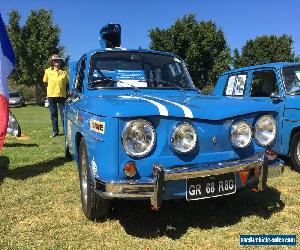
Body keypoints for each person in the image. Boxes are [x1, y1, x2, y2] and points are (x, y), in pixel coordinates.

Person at [43, 54, 69, 137]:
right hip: (51, 96)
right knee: (53, 114)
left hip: (62, 96)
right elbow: (45, 82)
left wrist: (66, 93)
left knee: (63, 114)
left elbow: (67, 84)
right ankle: (55, 131)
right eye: (54, 60)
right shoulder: (47, 71)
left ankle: (66, 131)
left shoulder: (64, 73)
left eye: (58, 60)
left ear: (60, 62)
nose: (56, 61)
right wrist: (49, 90)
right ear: (52, 62)